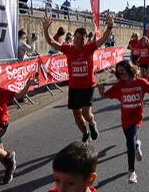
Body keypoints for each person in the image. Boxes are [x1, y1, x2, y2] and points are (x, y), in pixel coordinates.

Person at [98, 60, 149, 183]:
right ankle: (137, 144)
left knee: (129, 142)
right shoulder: (119, 85)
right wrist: (101, 91)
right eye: (119, 72)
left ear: (129, 69)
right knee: (131, 140)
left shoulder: (141, 83)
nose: (121, 74)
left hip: (136, 117)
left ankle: (131, 172)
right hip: (125, 119)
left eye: (123, 71)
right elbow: (105, 95)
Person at [43, 14, 115, 143]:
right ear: (74, 38)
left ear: (85, 40)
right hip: (74, 88)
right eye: (77, 37)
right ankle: (85, 133)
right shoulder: (68, 49)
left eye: (82, 39)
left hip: (88, 86)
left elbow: (103, 39)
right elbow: (50, 42)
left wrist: (110, 26)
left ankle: (92, 124)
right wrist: (45, 29)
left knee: (86, 114)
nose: (78, 40)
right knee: (76, 114)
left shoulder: (89, 48)